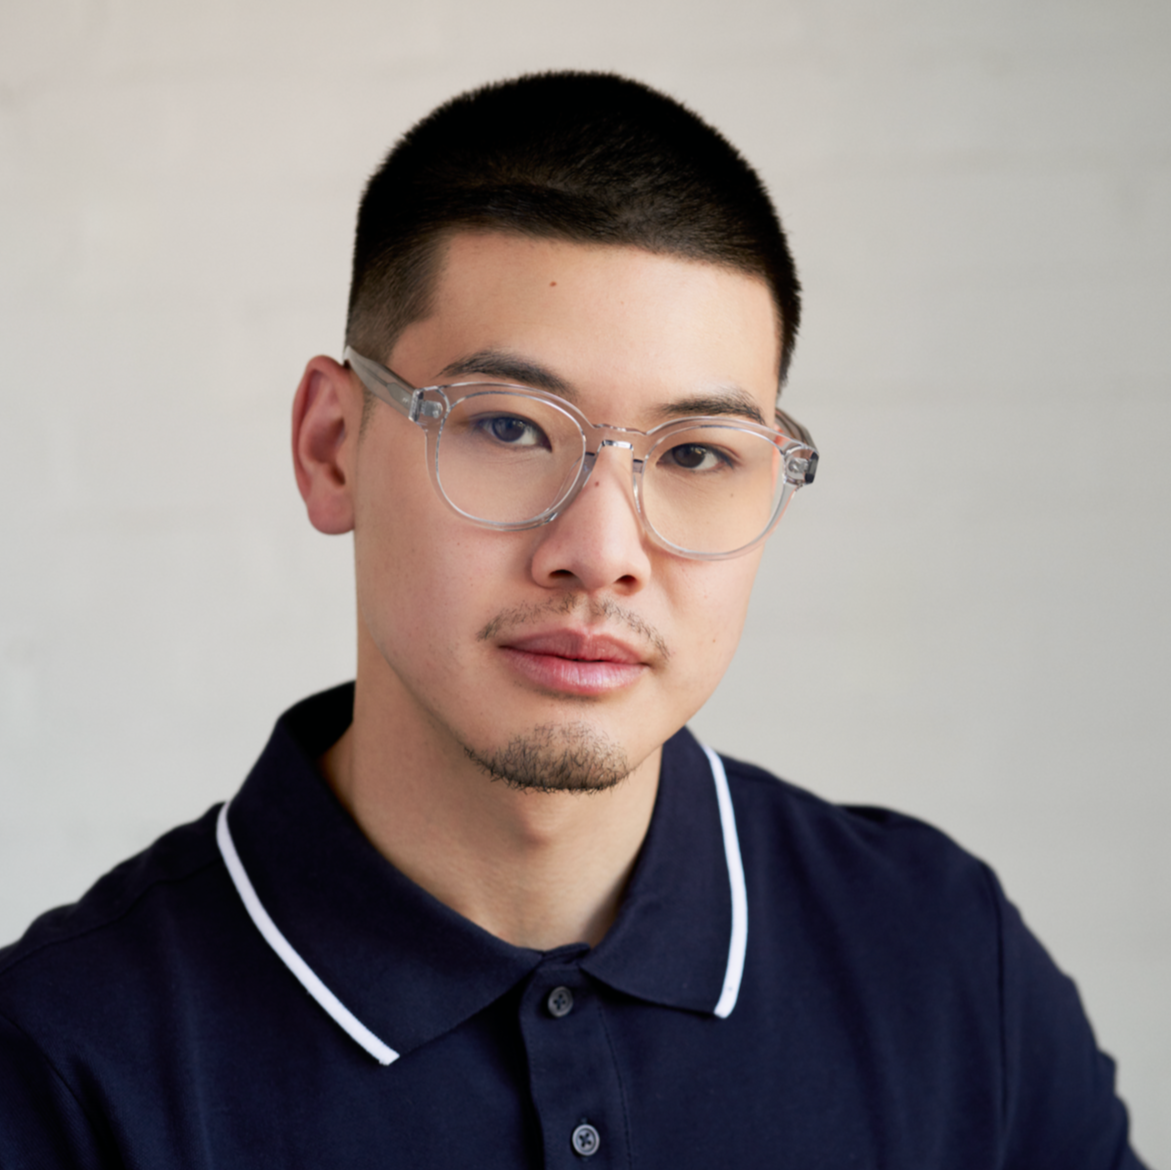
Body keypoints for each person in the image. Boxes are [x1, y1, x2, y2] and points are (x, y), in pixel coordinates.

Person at [0, 71, 1145, 1168]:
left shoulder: (942, 962)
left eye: (696, 453)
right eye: (506, 428)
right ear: (331, 448)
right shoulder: (62, 1066)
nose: (600, 553)